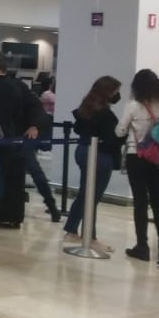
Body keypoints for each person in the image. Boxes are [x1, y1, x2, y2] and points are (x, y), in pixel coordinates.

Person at [0, 51, 60, 223]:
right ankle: (52, 207)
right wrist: (34, 126)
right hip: (18, 138)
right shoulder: (18, 86)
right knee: (34, 172)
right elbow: (36, 107)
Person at [117, 69, 159, 263]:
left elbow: (120, 131)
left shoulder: (134, 106)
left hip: (138, 156)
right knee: (158, 202)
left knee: (140, 202)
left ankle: (142, 246)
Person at [62, 76, 122, 253]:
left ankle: (72, 229)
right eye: (116, 91)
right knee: (93, 196)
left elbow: (79, 129)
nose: (118, 95)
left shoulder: (86, 108)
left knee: (85, 193)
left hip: (83, 151)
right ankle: (90, 236)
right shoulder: (105, 114)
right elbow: (113, 137)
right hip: (99, 155)